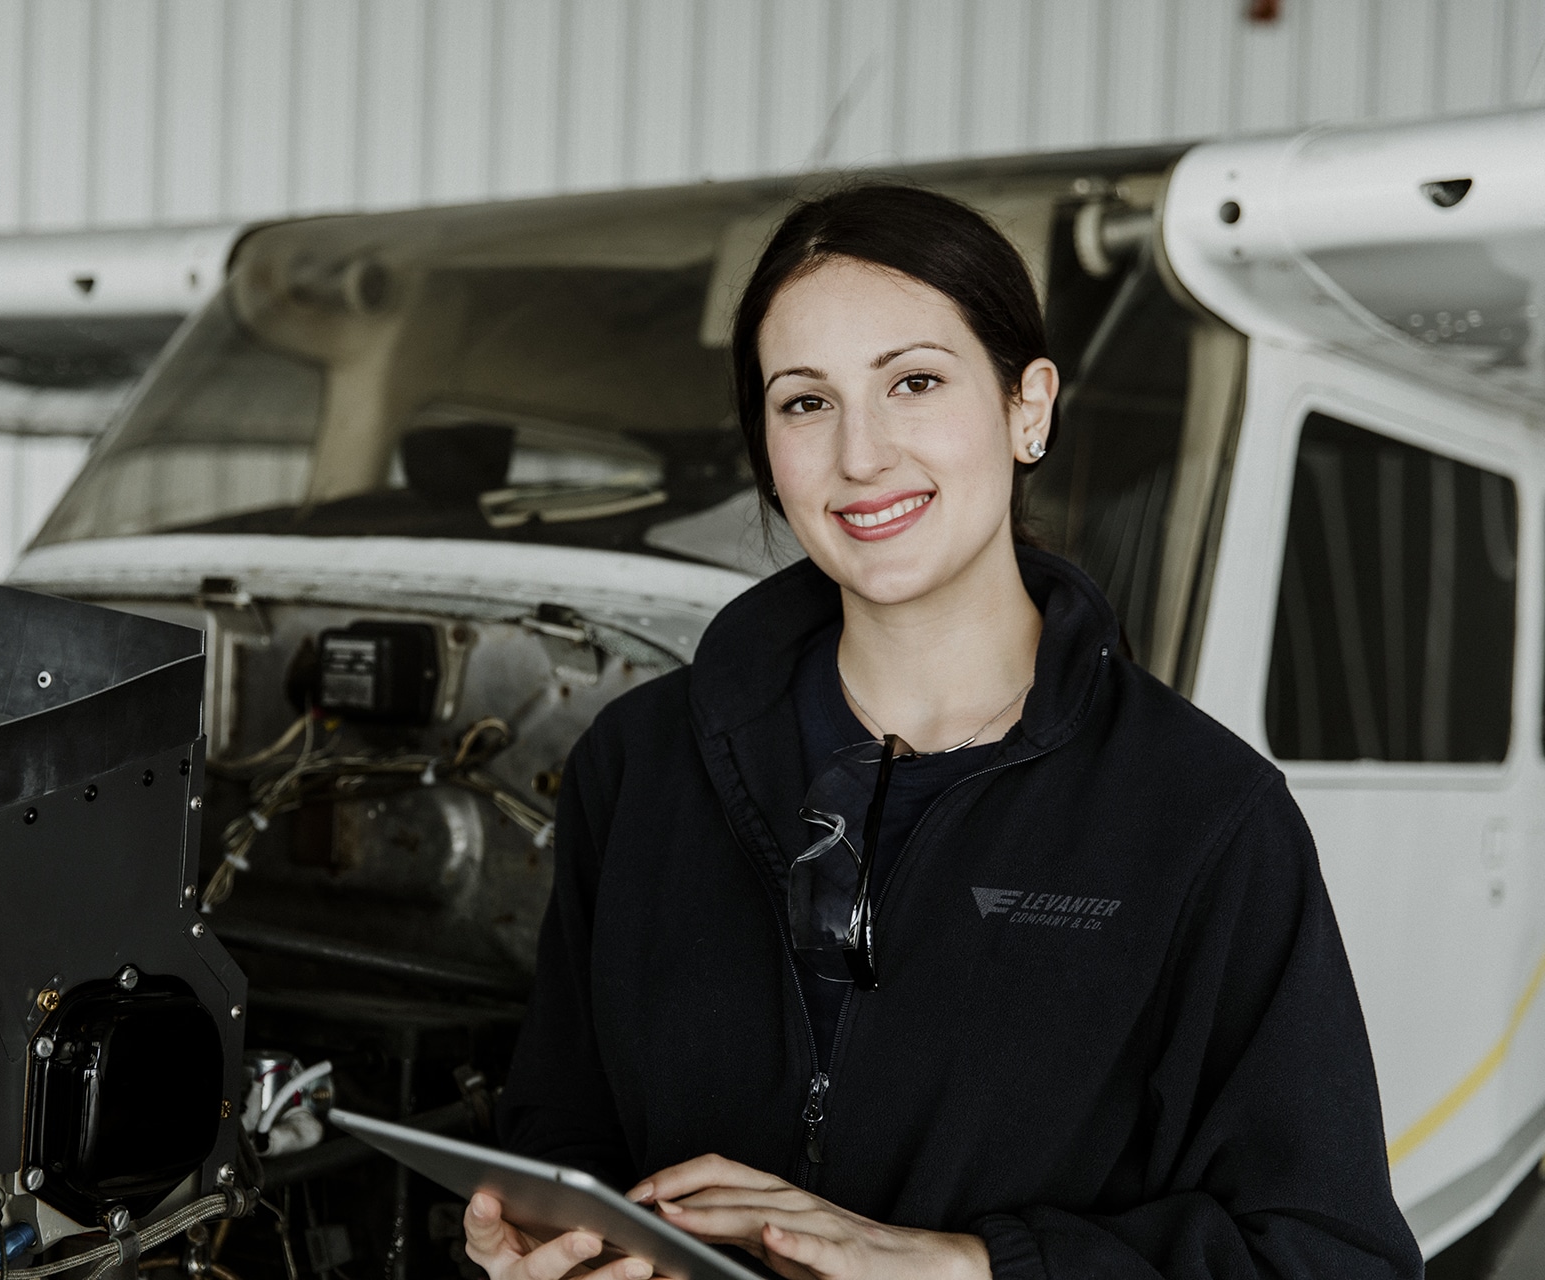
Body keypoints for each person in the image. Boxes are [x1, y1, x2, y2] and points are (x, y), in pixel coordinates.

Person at [463, 184, 1421, 1280]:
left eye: (913, 382)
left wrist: (971, 1264)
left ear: (1029, 407)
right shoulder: (637, 763)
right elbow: (565, 1135)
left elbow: (1331, 1255)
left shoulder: (1204, 815)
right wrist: (557, 1245)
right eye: (805, 402)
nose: (860, 455)